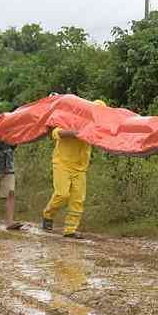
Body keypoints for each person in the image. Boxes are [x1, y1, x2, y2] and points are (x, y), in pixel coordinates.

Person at [44, 100, 103, 238]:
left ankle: (70, 230)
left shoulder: (95, 127)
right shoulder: (70, 119)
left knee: (78, 199)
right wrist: (78, 133)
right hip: (62, 163)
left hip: (80, 167)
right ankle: (48, 214)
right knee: (62, 194)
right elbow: (57, 133)